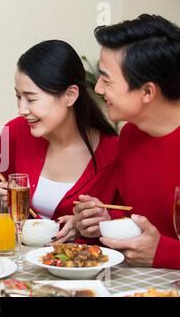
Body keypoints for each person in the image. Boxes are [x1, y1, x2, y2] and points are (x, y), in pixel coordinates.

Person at [73, 14, 180, 269]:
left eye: (107, 79)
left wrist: (163, 253)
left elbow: (158, 246)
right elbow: (135, 215)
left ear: (147, 92)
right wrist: (105, 220)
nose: (98, 89)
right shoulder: (131, 135)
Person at [0, 40, 119, 244]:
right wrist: (4, 208)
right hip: (21, 267)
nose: (21, 109)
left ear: (70, 95)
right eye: (18, 97)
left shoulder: (113, 151)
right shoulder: (13, 133)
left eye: (31, 99)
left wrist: (95, 225)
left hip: (81, 270)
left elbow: (128, 222)